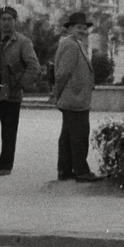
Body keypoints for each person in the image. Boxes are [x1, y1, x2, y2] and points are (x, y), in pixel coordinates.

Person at [0, 7, 40, 175]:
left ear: (15, 21)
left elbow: (33, 66)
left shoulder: (22, 42)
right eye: (3, 19)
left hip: (9, 85)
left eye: (9, 19)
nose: (6, 22)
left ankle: (5, 166)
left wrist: (19, 84)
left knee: (8, 127)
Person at [52, 12, 97, 180]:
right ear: (69, 28)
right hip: (74, 98)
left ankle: (65, 170)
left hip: (73, 98)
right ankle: (81, 170)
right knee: (79, 135)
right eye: (79, 27)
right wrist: (59, 93)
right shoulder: (71, 45)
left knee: (68, 135)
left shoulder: (74, 44)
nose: (83, 31)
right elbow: (62, 73)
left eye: (85, 28)